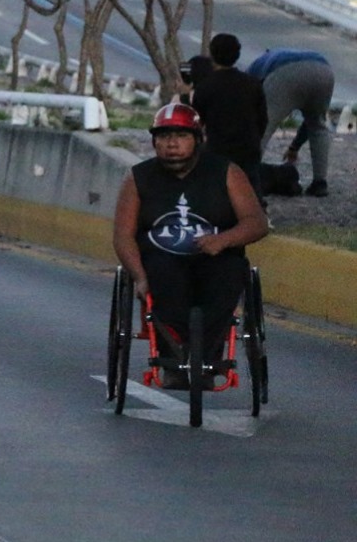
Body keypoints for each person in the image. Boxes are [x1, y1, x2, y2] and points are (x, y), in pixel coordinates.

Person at [112, 102, 268, 386]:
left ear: (198, 139)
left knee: (227, 278)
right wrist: (139, 277)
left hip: (217, 256)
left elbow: (256, 223)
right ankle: (173, 357)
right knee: (162, 280)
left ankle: (207, 360)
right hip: (160, 261)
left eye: (181, 136)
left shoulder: (226, 173)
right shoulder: (138, 178)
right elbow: (123, 235)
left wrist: (223, 240)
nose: (172, 144)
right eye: (164, 137)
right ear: (154, 141)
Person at [186, 34, 266, 198]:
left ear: (212, 54)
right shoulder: (252, 83)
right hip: (248, 147)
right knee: (251, 186)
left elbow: (195, 122)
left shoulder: (206, 87)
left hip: (218, 147)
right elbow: (262, 119)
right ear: (237, 55)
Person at [248, 48, 335, 196]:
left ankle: (250, 178)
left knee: (264, 127)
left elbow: (250, 111)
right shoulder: (280, 55)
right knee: (318, 126)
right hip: (323, 69)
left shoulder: (255, 67)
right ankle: (320, 183)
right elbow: (308, 124)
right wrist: (294, 147)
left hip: (285, 73)